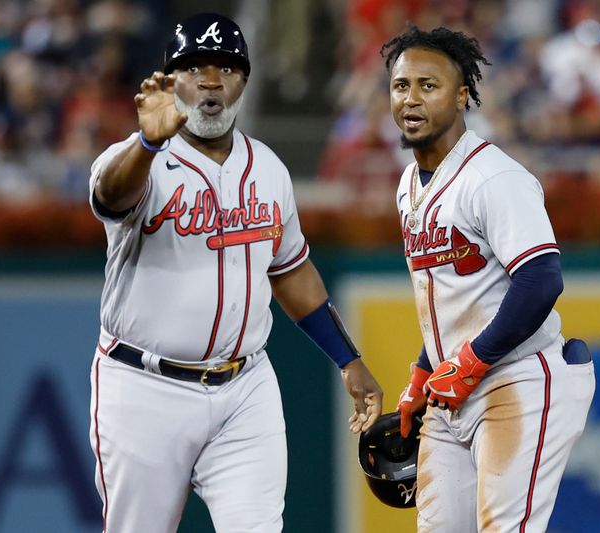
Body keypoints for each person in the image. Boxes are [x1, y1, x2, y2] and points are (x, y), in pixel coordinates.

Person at [87, 13, 383, 533]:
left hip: (245, 388)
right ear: (169, 78)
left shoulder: (268, 168)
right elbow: (111, 196)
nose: (209, 79)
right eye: (194, 66)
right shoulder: (137, 159)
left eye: (226, 67)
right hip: (143, 388)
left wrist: (347, 359)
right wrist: (147, 145)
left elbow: (291, 271)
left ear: (244, 81)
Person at [383, 26, 595, 531]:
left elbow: (541, 279)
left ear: (462, 96)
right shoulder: (409, 182)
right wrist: (421, 372)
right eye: (400, 86)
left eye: (428, 86)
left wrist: (472, 362)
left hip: (518, 376)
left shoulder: (493, 178)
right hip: (452, 384)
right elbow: (449, 296)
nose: (411, 98)